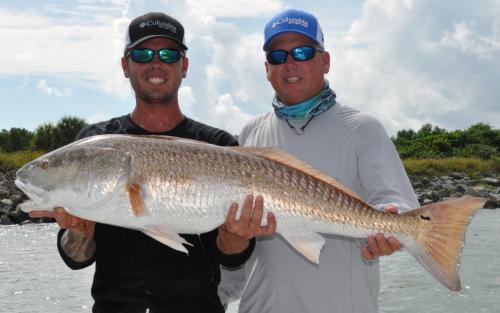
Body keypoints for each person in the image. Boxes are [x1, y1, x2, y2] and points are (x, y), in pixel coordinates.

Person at [30, 12, 274, 313]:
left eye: (169, 54)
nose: (155, 63)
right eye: (143, 53)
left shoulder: (219, 146)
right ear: (125, 66)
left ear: (184, 66)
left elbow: (232, 257)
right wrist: (79, 232)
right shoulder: (94, 142)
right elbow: (76, 258)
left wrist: (235, 235)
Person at [219, 8, 420, 313]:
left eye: (302, 52)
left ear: (325, 61)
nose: (289, 64)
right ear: (266, 69)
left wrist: (393, 233)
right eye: (278, 56)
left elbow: (401, 207)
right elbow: (238, 251)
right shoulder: (250, 132)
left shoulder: (362, 129)